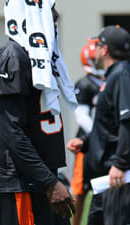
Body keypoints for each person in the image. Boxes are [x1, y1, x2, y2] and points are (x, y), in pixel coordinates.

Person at [0, 1, 78, 225]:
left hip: (39, 179)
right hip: (16, 181)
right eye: (48, 9)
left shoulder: (38, 56)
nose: (55, 16)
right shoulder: (12, 57)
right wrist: (49, 182)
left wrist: (50, 179)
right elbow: (11, 131)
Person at [67, 25, 130, 225]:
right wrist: (86, 141)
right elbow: (109, 123)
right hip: (105, 177)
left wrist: (120, 164)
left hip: (116, 176)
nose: (93, 51)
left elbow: (127, 121)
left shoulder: (122, 75)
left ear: (105, 50)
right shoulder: (113, 75)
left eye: (97, 46)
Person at [70, 40, 104, 225]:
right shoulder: (85, 84)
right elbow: (81, 117)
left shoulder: (112, 79)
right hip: (88, 142)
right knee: (80, 191)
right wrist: (99, 133)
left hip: (105, 142)